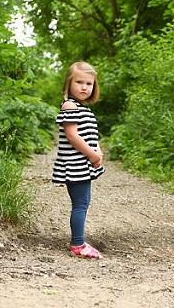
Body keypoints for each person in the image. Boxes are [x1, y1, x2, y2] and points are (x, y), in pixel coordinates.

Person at [52, 61, 106, 259]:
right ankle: (77, 244)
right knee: (80, 204)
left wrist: (97, 152)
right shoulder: (69, 106)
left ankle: (78, 240)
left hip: (83, 165)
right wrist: (92, 155)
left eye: (89, 84)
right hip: (75, 165)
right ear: (69, 84)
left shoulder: (83, 109)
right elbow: (73, 136)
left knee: (83, 202)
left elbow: (91, 136)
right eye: (79, 82)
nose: (84, 87)